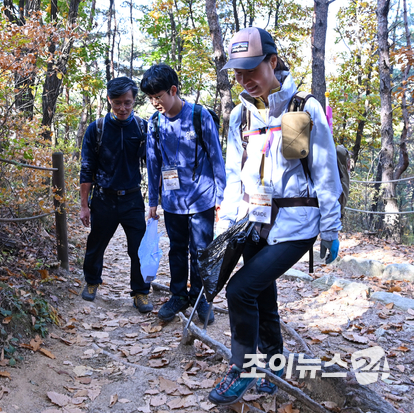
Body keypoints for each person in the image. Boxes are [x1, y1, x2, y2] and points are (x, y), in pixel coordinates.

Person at [207, 27, 342, 405]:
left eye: (251, 69)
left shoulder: (303, 109)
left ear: (272, 61)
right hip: (254, 222)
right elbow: (234, 177)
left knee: (240, 289)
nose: (244, 80)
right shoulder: (240, 117)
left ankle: (243, 368)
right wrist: (225, 225)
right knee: (262, 295)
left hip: (296, 226)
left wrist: (330, 227)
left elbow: (325, 173)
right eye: (237, 72)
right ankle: (274, 364)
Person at [140, 64, 226, 324]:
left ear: (173, 90)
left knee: (201, 251)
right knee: (177, 250)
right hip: (173, 201)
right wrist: (152, 202)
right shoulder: (154, 123)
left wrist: (221, 198)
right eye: (151, 98)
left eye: (159, 96)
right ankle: (178, 295)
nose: (155, 102)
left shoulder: (199, 116)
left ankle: (200, 299)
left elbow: (216, 158)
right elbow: (153, 163)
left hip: (202, 199)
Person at [79, 77, 153, 314]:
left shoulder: (142, 128)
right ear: (109, 99)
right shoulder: (96, 129)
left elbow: (153, 164)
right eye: (118, 102)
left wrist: (155, 201)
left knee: (138, 248)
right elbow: (86, 168)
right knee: (96, 244)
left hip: (132, 198)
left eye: (128, 103)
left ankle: (140, 292)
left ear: (134, 101)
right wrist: (84, 205)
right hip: (103, 198)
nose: (123, 108)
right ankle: (92, 281)